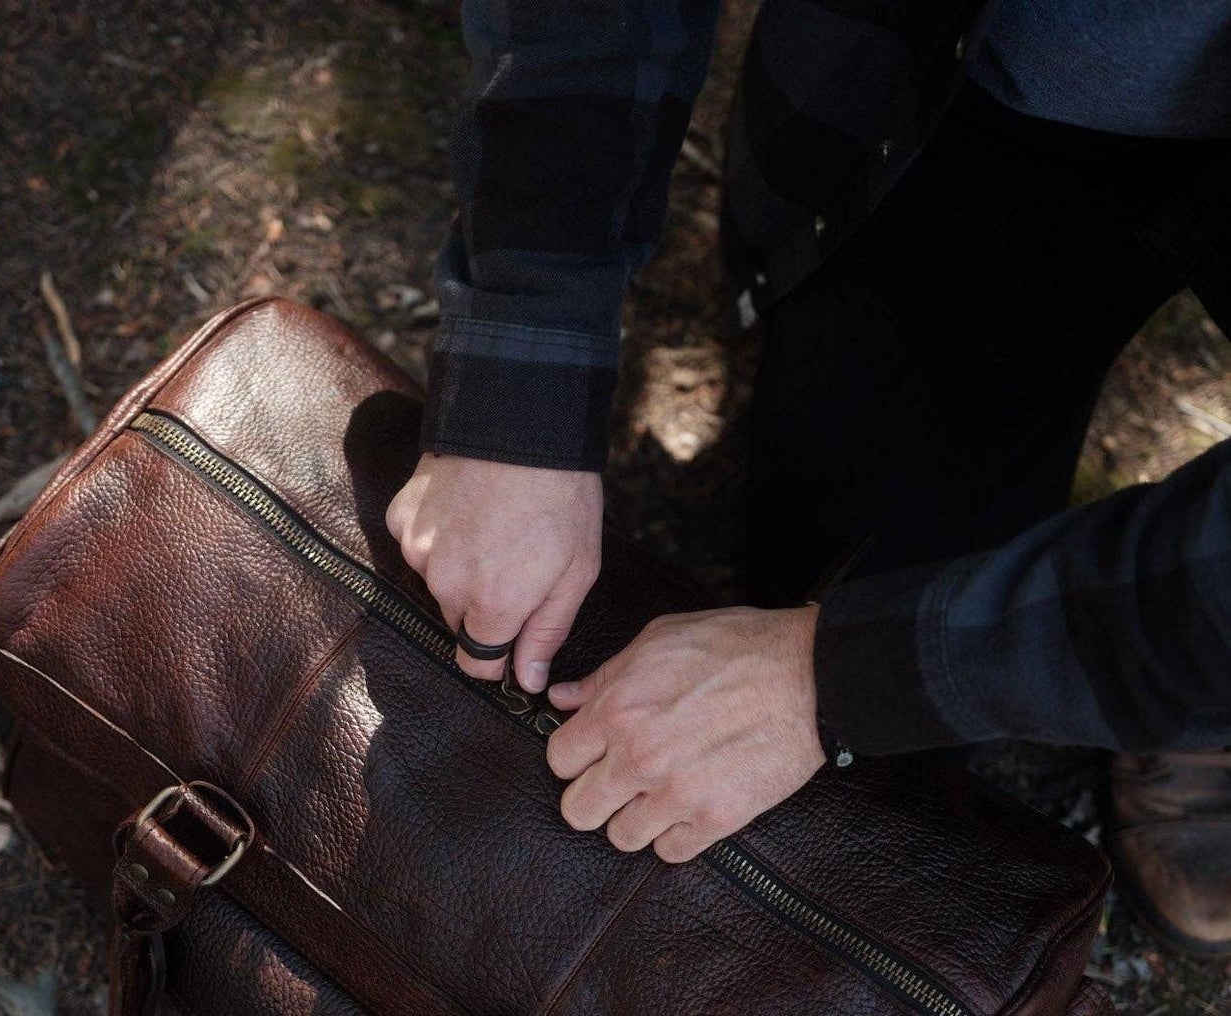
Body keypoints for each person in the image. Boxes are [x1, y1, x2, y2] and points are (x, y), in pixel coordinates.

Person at [386, 0, 1231, 957]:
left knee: (916, 687)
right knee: (851, 569)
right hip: (987, 79)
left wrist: (830, 675)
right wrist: (515, 382)